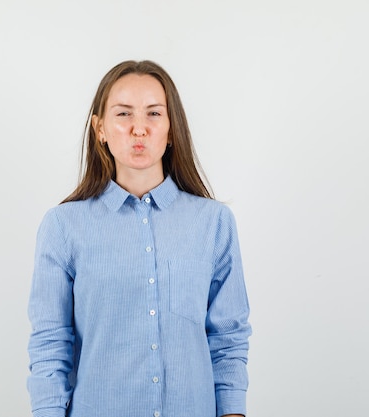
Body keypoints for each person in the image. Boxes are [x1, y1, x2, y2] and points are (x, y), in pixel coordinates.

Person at [27, 60, 251, 417]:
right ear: (100, 128)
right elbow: (51, 345)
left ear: (172, 129)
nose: (139, 129)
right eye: (123, 114)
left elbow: (228, 339)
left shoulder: (214, 223)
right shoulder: (63, 227)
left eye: (153, 114)